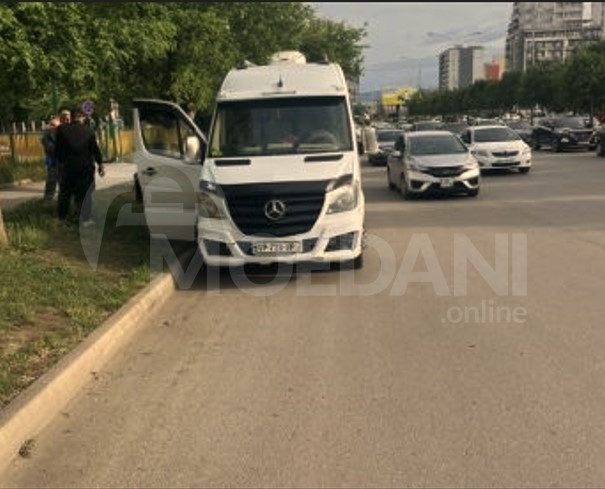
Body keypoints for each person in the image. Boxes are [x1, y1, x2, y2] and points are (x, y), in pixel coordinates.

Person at [55, 107, 104, 225]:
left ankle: (62, 218)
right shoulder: (89, 131)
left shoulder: (61, 129)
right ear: (82, 117)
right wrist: (100, 164)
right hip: (85, 168)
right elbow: (95, 150)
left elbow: (58, 150)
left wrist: (61, 162)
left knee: (65, 193)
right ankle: (84, 219)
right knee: (85, 193)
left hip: (68, 167)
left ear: (71, 117)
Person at [40, 115, 60, 200]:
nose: (54, 127)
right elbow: (50, 147)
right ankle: (48, 199)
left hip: (63, 161)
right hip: (52, 161)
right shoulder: (46, 135)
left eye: (56, 125)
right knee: (51, 180)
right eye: (52, 125)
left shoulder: (63, 133)